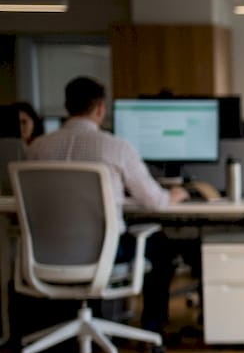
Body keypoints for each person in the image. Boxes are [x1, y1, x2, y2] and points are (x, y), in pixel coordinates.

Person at [24, 76, 189, 337]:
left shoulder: (37, 149)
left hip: (46, 253)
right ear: (100, 108)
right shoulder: (116, 147)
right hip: (106, 251)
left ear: (66, 106)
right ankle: (152, 329)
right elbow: (155, 202)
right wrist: (176, 194)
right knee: (160, 245)